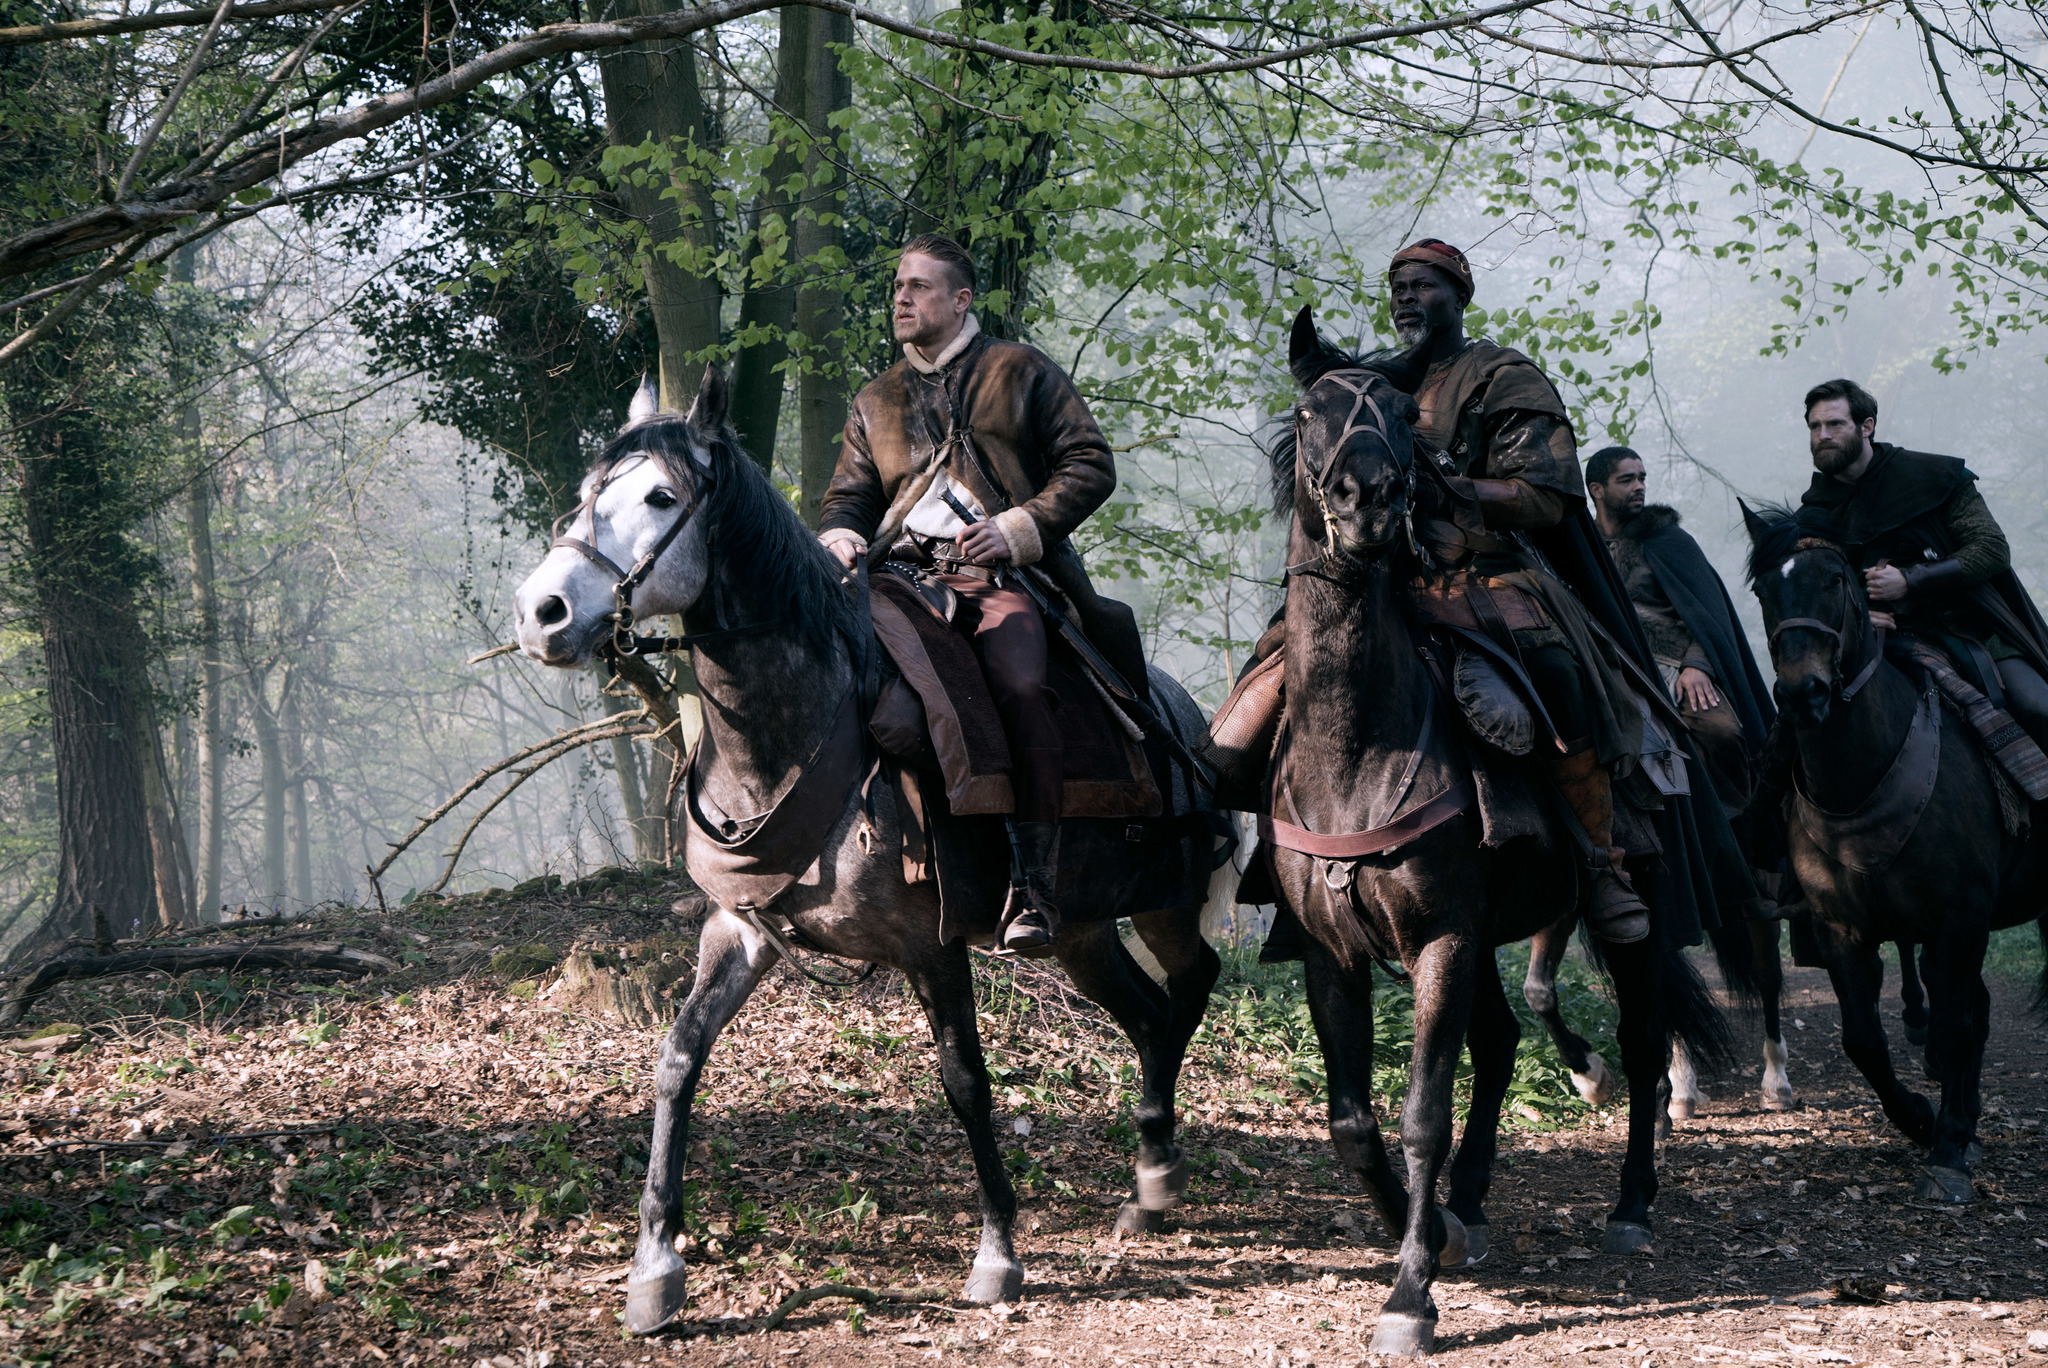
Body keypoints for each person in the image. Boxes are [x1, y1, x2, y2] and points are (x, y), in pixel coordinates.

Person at [817, 232, 1143, 952]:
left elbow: (1089, 464)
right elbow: (848, 500)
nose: (902, 297)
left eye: (920, 287)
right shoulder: (875, 400)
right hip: (898, 583)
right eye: (898, 286)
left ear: (961, 299)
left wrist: (1019, 528)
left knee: (1024, 688)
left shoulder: (1021, 371)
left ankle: (1033, 887)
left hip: (1000, 579)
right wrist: (841, 535)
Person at [1795, 378, 2048, 742]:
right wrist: (1858, 616)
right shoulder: (1812, 516)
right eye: (1815, 426)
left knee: (2040, 709)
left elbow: (1991, 548)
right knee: (1797, 739)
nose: (1823, 435)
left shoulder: (1934, 477)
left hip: (1968, 628)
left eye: (1835, 423)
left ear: (1866, 427)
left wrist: (1911, 580)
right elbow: (1807, 594)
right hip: (1874, 642)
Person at [1585, 447, 1774, 821]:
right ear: (1597, 490)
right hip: (1613, 668)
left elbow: (1709, 616)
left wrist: (1697, 665)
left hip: (1678, 662)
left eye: (1642, 478)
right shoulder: (1585, 548)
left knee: (1720, 733)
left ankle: (1738, 831)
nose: (1639, 487)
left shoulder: (1668, 539)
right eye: (1627, 480)